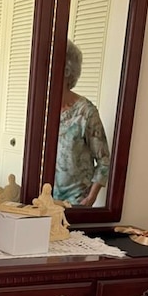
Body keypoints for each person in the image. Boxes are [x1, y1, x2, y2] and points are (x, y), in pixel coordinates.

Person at [53, 39, 111, 207]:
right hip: (44, 201)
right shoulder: (42, 110)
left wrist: (90, 199)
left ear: (66, 70)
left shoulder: (86, 112)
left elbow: (104, 161)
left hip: (75, 202)